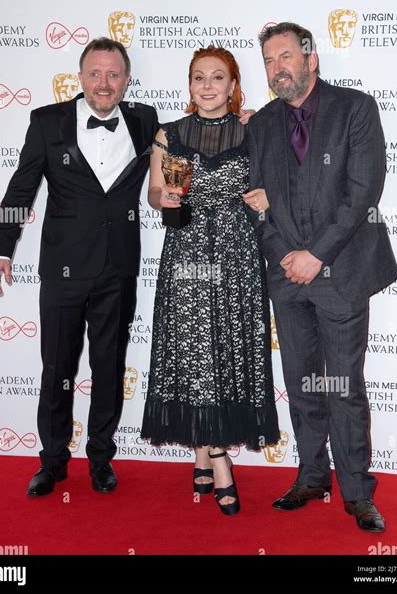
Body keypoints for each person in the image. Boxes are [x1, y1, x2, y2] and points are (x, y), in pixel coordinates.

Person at [0, 37, 158, 496]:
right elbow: (21, 189)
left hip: (118, 269)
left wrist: (248, 118)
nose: (104, 83)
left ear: (126, 79)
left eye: (114, 74)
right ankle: (53, 461)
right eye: (95, 74)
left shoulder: (145, 122)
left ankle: (101, 459)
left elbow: (192, 136)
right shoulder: (48, 122)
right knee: (57, 368)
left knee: (109, 368)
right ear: (80, 77)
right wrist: (1, 248)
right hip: (63, 269)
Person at [247, 23, 397, 531]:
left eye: (286, 56)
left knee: (343, 385)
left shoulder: (355, 109)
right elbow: (256, 202)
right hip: (286, 274)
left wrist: (316, 254)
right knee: (301, 382)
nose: (277, 69)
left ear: (311, 59)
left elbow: (362, 193)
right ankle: (312, 476)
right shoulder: (262, 123)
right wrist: (288, 255)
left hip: (343, 271)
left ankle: (357, 490)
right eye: (269, 61)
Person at [140, 46, 279, 516]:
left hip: (238, 254)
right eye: (199, 77)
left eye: (217, 78)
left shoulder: (253, 128)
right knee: (196, 350)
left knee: (227, 349)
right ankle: (218, 458)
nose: (207, 85)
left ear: (233, 84)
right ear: (190, 84)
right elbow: (155, 193)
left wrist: (266, 198)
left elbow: (275, 183)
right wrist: (167, 199)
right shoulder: (168, 134)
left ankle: (202, 450)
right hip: (188, 252)